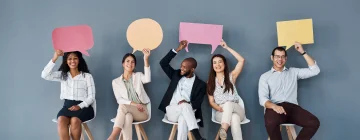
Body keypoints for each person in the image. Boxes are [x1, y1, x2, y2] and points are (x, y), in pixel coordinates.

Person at [258, 42, 321, 140]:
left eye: (283, 57)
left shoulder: (293, 72)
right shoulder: (265, 77)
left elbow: (315, 70)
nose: (280, 59)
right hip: (275, 107)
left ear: (286, 59)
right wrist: (274, 106)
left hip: (292, 108)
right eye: (277, 56)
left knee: (313, 122)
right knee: (270, 122)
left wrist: (302, 52)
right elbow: (263, 99)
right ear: (272, 58)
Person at [41, 50, 96, 140]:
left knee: (74, 120)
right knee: (61, 119)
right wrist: (55, 57)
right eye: (69, 59)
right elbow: (45, 75)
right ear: (66, 61)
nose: (72, 61)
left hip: (84, 107)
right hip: (67, 106)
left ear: (79, 60)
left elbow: (91, 97)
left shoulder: (87, 76)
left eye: (75, 58)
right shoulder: (63, 75)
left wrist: (79, 106)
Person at [158, 40, 207, 140]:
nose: (181, 68)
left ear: (192, 69)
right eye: (181, 65)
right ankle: (198, 137)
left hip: (188, 112)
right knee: (184, 106)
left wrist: (188, 103)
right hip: (172, 110)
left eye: (185, 67)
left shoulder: (200, 84)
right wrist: (177, 49)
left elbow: (197, 103)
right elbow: (163, 63)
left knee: (183, 118)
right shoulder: (175, 75)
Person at [107, 49, 151, 140]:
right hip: (129, 110)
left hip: (142, 111)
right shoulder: (115, 82)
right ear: (123, 64)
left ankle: (112, 136)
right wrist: (134, 104)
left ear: (134, 65)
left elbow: (147, 79)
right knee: (127, 117)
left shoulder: (138, 75)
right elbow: (119, 99)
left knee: (122, 106)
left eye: (132, 62)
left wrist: (146, 59)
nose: (130, 64)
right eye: (127, 61)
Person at [207, 39, 247, 140]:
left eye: (220, 62)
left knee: (229, 104)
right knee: (234, 118)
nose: (217, 64)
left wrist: (226, 47)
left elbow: (241, 60)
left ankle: (223, 131)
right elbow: (211, 102)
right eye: (214, 63)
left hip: (237, 109)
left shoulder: (231, 76)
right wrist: (218, 108)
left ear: (224, 64)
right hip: (221, 112)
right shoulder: (210, 82)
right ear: (212, 66)